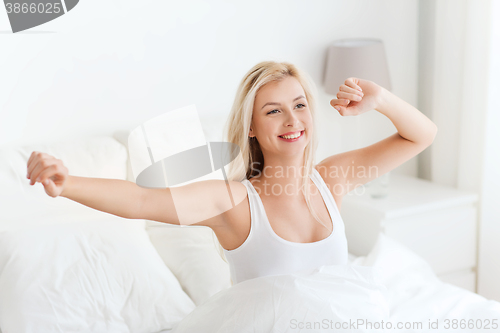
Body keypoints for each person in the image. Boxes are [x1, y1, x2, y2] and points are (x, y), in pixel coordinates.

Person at [26, 60, 438, 286]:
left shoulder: (332, 179)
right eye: (273, 111)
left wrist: (381, 99)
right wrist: (67, 183)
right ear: (251, 129)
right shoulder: (233, 201)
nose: (292, 120)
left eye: (299, 105)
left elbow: (421, 136)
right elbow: (141, 200)